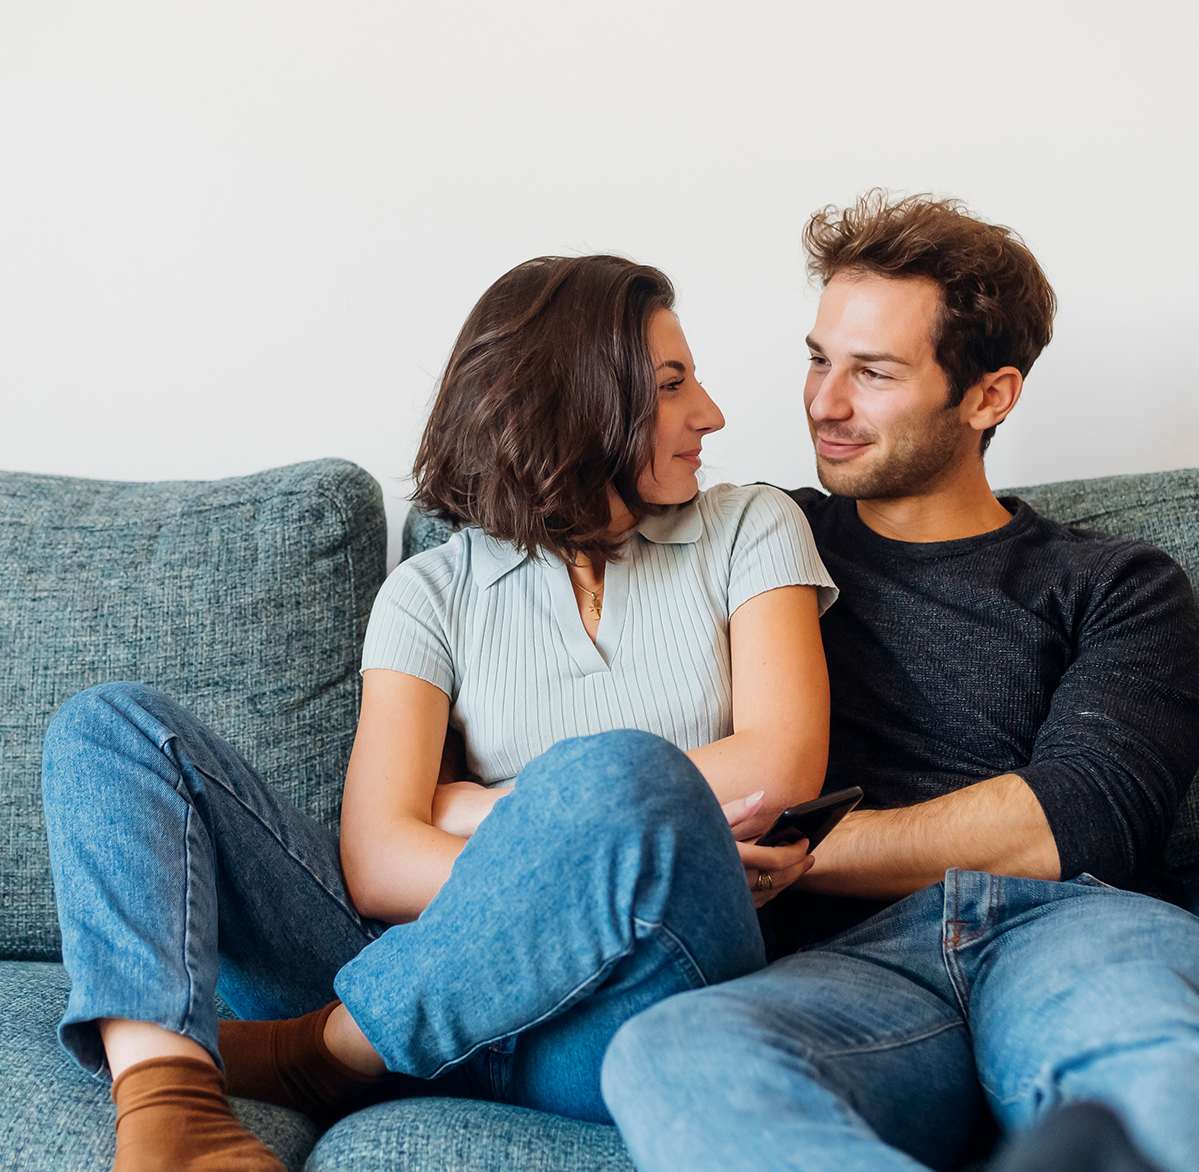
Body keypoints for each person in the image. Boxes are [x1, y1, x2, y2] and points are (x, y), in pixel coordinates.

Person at [41, 254, 836, 1172]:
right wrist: (593, 842)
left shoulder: (752, 527)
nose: (711, 413)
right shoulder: (432, 591)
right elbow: (377, 864)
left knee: (627, 775)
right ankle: (170, 1105)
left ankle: (326, 1053)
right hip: (416, 961)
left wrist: (481, 806)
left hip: (618, 1004)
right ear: (575, 400)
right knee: (111, 726)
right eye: (670, 384)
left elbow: (779, 762)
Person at [600, 194, 1199, 1172]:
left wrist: (791, 851)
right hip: (845, 974)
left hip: (1070, 931)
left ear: (987, 395)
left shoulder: (1112, 582)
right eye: (817, 358)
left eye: (871, 372)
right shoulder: (751, 543)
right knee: (668, 1052)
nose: (823, 403)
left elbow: (1074, 818)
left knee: (1156, 1076)